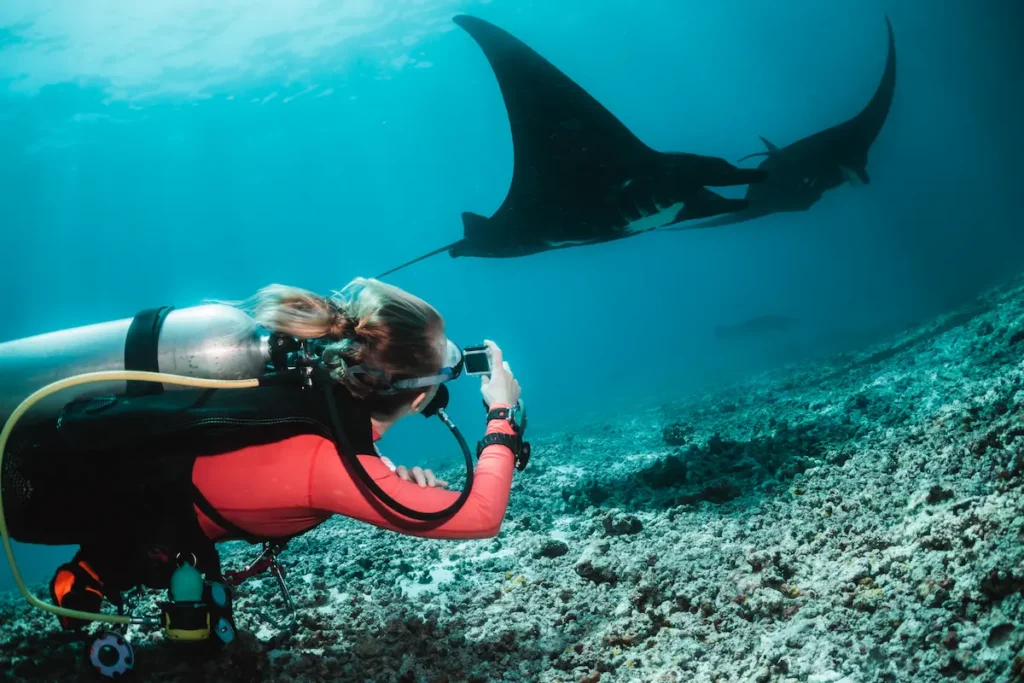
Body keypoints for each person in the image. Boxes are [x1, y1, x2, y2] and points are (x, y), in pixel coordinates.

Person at [0, 277, 525, 630]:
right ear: (417, 395)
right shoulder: (334, 461)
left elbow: (290, 468)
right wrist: (501, 414)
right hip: (122, 506)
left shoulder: (306, 391)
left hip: (139, 493)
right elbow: (479, 517)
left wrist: (392, 481)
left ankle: (98, 568)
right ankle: (99, 568)